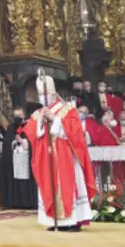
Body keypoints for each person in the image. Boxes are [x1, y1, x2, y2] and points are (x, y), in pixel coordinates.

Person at [23, 73, 98, 231]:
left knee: (68, 185)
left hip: (66, 157)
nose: (44, 97)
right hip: (47, 157)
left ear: (53, 93)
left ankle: (72, 221)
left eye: (46, 94)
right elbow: (31, 133)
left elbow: (76, 132)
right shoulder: (38, 113)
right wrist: (41, 123)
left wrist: (56, 120)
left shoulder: (67, 110)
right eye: (41, 95)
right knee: (49, 186)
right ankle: (53, 220)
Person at [0, 106, 37, 209]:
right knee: (16, 180)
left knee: (26, 181)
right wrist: (14, 141)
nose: (17, 117)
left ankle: (28, 202)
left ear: (24, 115)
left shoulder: (30, 125)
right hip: (15, 159)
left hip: (27, 159)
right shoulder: (12, 127)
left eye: (19, 115)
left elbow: (34, 142)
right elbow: (7, 143)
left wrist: (24, 141)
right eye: (15, 115)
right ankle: (16, 202)